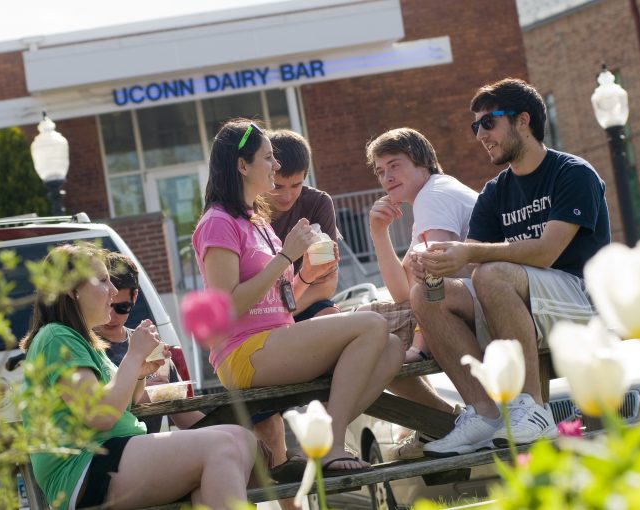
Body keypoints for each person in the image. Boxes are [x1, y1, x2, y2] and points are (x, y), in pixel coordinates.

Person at [192, 118, 405, 477]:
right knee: (371, 324)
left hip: (276, 340)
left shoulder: (256, 221)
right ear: (242, 166)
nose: (275, 166)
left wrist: (305, 275)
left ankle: (321, 439)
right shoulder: (218, 222)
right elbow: (226, 308)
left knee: (393, 347)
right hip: (244, 352)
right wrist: (286, 257)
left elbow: (281, 303)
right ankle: (332, 445)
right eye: (268, 158)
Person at [413, 78, 610, 457]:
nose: (480, 135)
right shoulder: (494, 191)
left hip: (582, 299)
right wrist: (438, 263)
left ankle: (533, 408)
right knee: (428, 294)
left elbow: (547, 252)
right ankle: (484, 414)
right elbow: (472, 260)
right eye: (475, 126)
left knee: (491, 272)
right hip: (517, 300)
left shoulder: (572, 172)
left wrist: (471, 256)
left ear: (523, 121)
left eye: (489, 123)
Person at [21, 243, 256, 510]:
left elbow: (123, 403)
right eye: (102, 281)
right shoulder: (56, 336)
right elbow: (100, 415)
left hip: (110, 456)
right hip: (84, 469)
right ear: (73, 291)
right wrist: (132, 357)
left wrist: (140, 373)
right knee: (222, 446)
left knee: (242, 439)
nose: (112, 291)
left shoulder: (82, 340)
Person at [362, 127, 477, 458]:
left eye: (394, 165)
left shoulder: (434, 196)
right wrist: (379, 234)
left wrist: (418, 343)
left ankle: (445, 422)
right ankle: (443, 422)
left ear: (423, 162)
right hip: (459, 301)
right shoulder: (432, 197)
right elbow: (404, 293)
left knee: (366, 340)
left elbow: (433, 277)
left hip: (471, 306)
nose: (386, 177)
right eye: (380, 171)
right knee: (366, 333)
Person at [94, 251, 203, 431]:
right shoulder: (81, 347)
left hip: (153, 450)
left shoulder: (150, 345)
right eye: (107, 305)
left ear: (134, 297)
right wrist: (140, 396)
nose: (111, 317)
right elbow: (95, 415)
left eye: (122, 307)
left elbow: (184, 416)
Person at [266, 129, 341, 321]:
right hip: (259, 310)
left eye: (296, 185)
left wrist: (282, 313)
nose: (287, 196)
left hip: (301, 305)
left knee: (330, 317)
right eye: (278, 186)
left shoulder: (317, 203)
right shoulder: (248, 211)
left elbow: (327, 284)